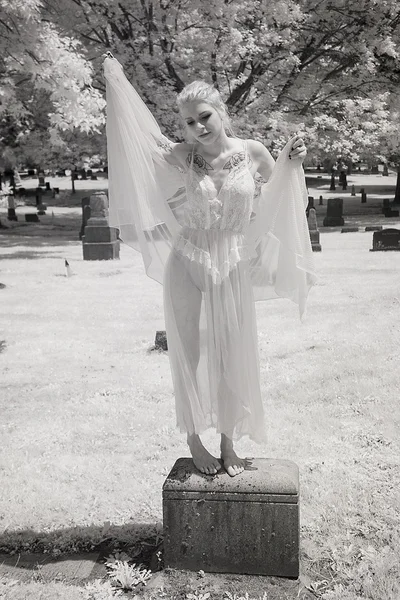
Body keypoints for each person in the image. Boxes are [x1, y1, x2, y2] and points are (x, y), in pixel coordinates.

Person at [103, 55, 316, 477]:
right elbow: (137, 140)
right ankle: (193, 439)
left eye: (204, 117)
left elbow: (279, 194)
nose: (198, 128)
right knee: (188, 350)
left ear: (221, 113)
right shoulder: (180, 155)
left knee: (231, 352)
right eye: (188, 122)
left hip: (232, 262)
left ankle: (228, 440)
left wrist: (296, 159)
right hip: (187, 261)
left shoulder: (252, 152)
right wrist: (117, 83)